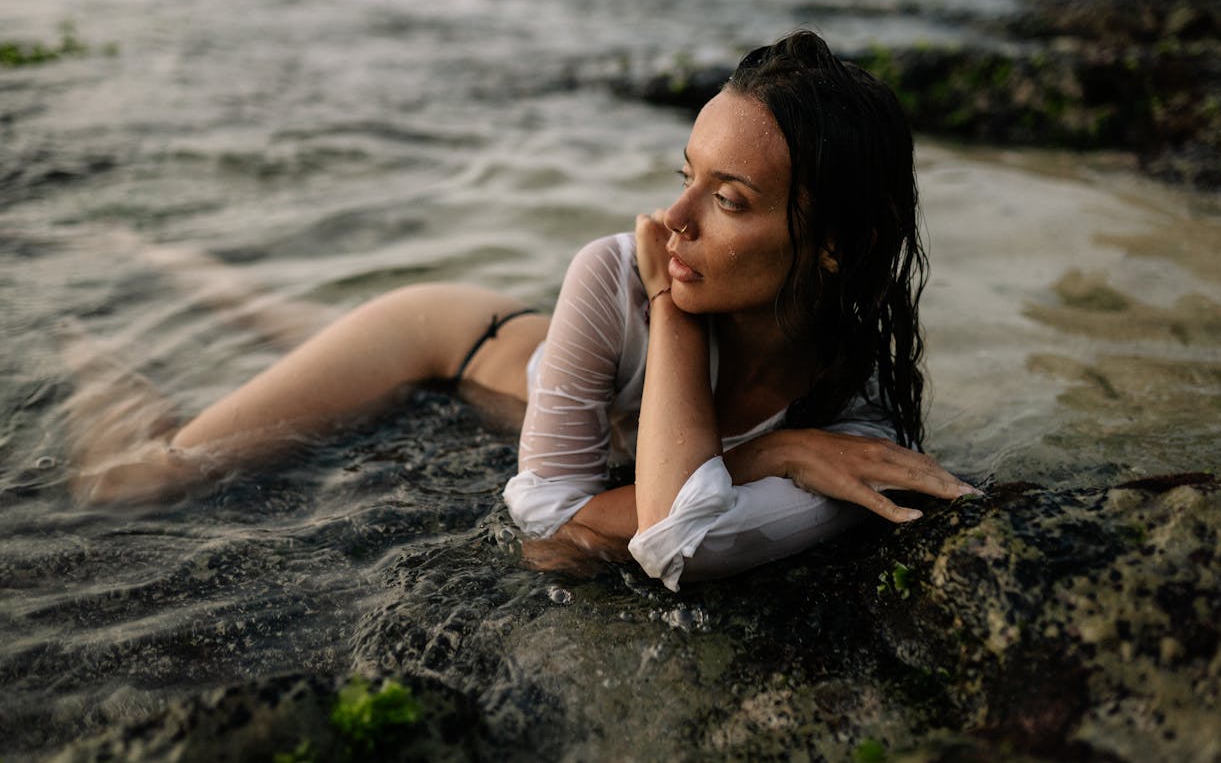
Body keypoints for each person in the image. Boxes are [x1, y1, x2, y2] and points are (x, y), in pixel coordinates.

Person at [67, 30, 976, 591]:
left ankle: (157, 261)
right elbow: (549, 522)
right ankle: (90, 334)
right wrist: (766, 447)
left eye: (728, 200)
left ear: (831, 244)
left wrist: (753, 454)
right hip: (448, 337)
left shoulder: (857, 401)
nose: (673, 221)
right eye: (683, 178)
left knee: (277, 319)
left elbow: (655, 537)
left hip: (517, 361)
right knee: (135, 481)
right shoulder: (619, 273)